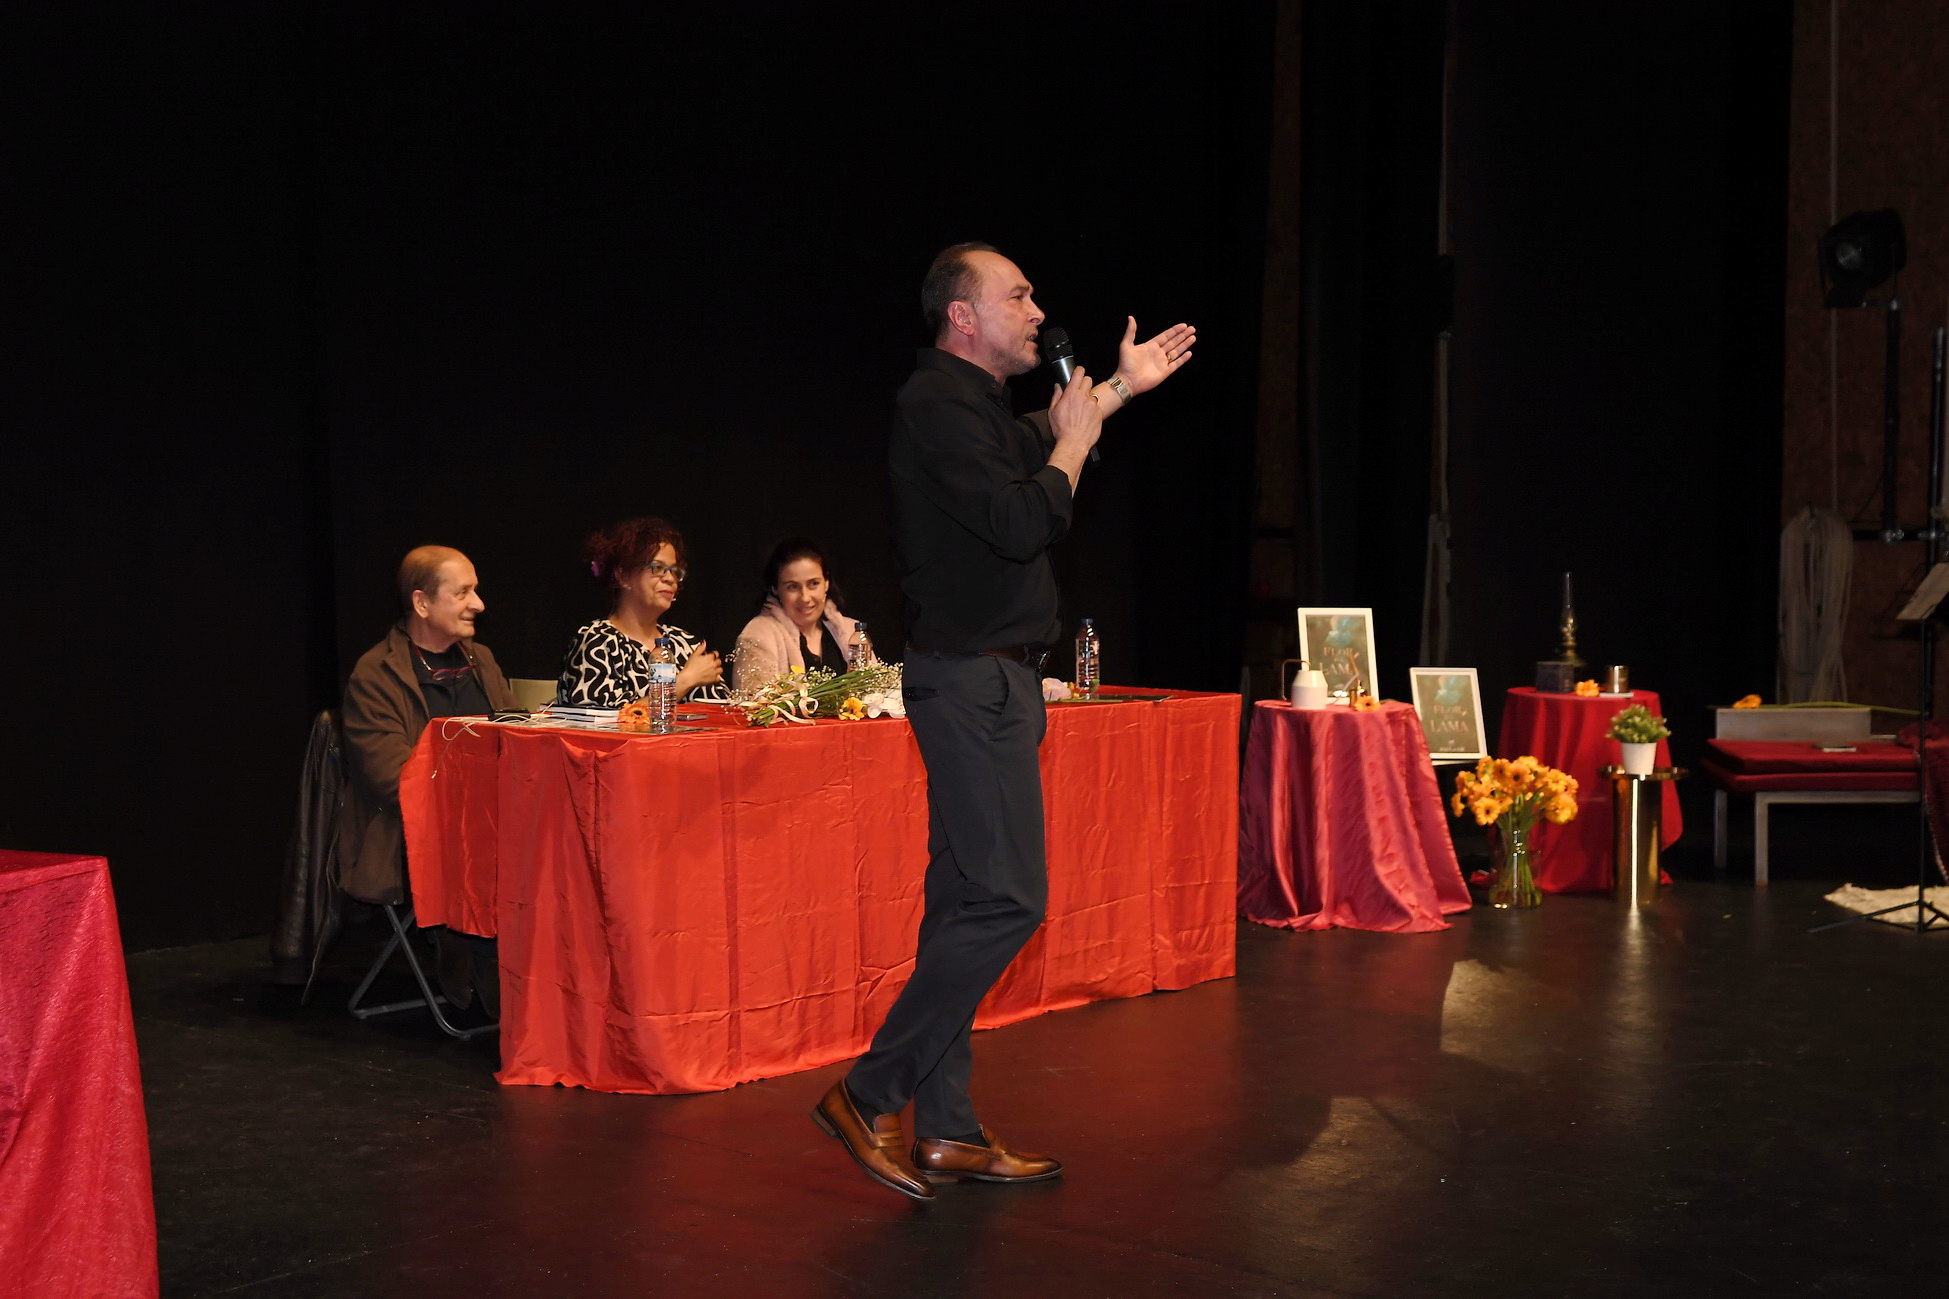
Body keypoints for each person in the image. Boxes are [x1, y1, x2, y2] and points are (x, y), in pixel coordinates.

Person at [811, 242, 1195, 1199]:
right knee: (1008, 899)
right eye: (1016, 296)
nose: (1035, 310)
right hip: (971, 683)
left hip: (996, 684)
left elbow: (1041, 438)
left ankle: (946, 1129)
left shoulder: (976, 410)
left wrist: (1120, 388)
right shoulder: (932, 404)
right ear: (962, 316)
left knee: (962, 904)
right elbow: (1027, 519)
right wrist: (1073, 445)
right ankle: (867, 1093)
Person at [338, 545, 517, 1011]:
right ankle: (493, 977)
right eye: (463, 593)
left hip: (490, 822)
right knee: (498, 852)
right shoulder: (376, 675)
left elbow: (515, 740)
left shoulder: (481, 662)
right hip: (408, 832)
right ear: (421, 603)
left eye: (476, 591)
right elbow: (393, 780)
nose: (479, 604)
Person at [557, 517, 726, 706]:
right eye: (657, 568)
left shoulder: (684, 644)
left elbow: (725, 713)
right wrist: (684, 681)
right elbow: (608, 719)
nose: (670, 579)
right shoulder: (597, 641)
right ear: (623, 576)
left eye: (674, 571)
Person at [731, 537, 863, 692]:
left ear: (826, 583)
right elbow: (753, 704)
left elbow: (876, 695)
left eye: (813, 584)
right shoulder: (757, 636)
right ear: (775, 589)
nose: (805, 597)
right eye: (792, 587)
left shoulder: (851, 631)